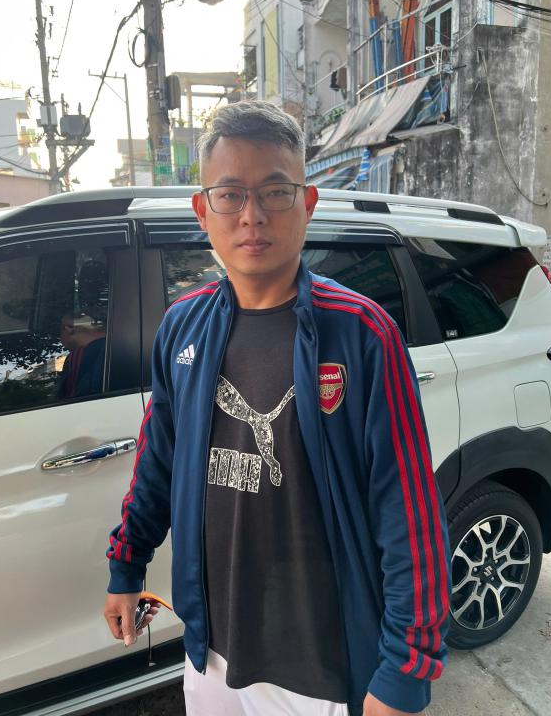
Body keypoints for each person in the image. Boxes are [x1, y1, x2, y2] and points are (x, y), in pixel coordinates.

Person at [104, 100, 450, 716]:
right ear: (203, 210)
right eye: (230, 195)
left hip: (319, 665)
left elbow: (408, 511)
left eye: (275, 192)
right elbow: (158, 463)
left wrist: (406, 668)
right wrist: (126, 566)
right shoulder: (183, 327)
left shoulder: (361, 334)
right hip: (211, 649)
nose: (252, 215)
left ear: (307, 203)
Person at [57, 313, 106, 399]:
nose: (61, 340)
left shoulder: (76, 357)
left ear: (69, 329)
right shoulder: (116, 346)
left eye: (59, 334)